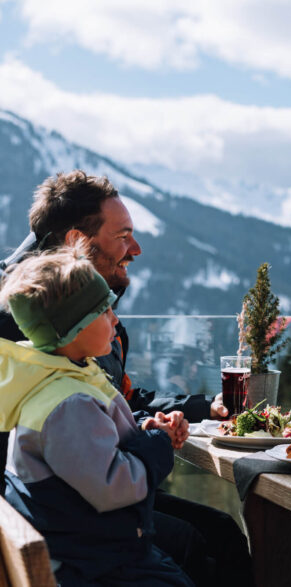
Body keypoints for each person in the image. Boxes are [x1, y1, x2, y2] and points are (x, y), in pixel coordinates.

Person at [0, 171, 252, 586]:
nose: (135, 249)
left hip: (81, 499)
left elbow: (114, 398)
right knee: (209, 539)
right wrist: (146, 446)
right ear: (77, 242)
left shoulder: (62, 312)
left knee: (217, 531)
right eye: (123, 236)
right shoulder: (34, 323)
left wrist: (198, 407)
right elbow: (78, 425)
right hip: (71, 523)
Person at [0, 245, 192, 585]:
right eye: (104, 312)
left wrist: (141, 429)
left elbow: (90, 448)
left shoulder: (60, 376)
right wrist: (157, 443)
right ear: (72, 329)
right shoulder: (66, 402)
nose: (116, 319)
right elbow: (114, 486)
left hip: (87, 549)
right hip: (93, 566)